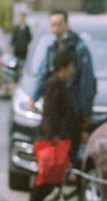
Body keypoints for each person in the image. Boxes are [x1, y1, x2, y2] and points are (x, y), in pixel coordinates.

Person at [28, 44, 81, 201]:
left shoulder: (58, 84)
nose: (73, 70)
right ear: (63, 67)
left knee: (50, 170)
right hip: (53, 137)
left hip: (55, 135)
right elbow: (50, 111)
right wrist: (52, 134)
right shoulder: (55, 85)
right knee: (48, 170)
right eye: (71, 66)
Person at [29, 10, 96, 139]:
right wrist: (34, 97)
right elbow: (43, 73)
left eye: (60, 24)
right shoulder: (52, 48)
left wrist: (86, 111)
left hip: (73, 108)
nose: (57, 29)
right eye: (53, 25)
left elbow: (87, 82)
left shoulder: (79, 48)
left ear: (67, 25)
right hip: (56, 106)